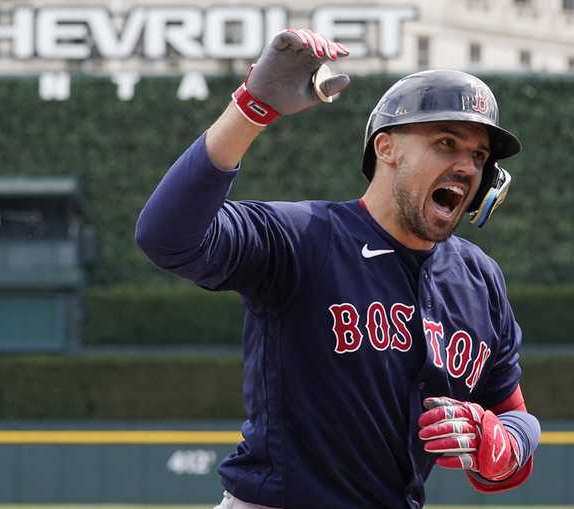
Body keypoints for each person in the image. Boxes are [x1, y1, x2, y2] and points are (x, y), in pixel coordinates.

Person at [135, 28, 540, 509]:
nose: (467, 166)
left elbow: (514, 421)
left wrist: (502, 443)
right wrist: (249, 111)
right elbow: (165, 238)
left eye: (478, 155)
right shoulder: (304, 238)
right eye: (446, 142)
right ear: (386, 148)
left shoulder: (480, 280)